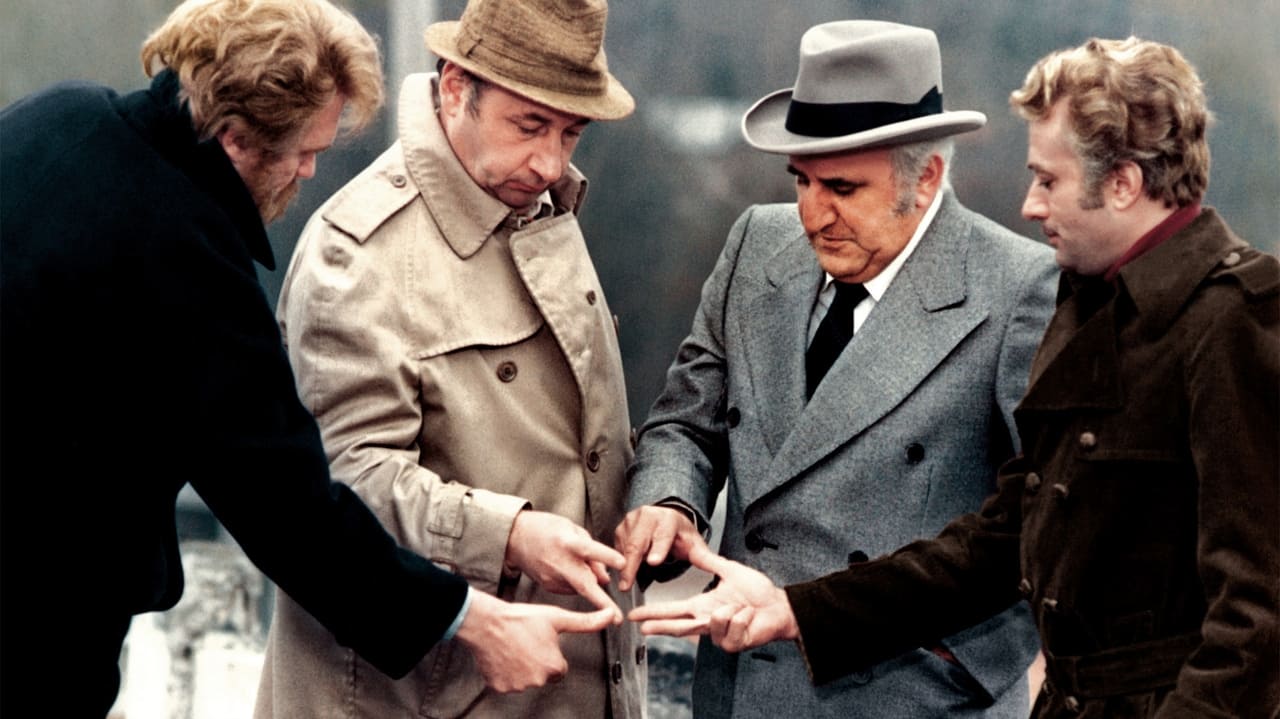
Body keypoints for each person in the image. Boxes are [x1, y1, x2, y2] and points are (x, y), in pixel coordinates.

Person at [631, 35, 1280, 719]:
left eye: (1048, 180)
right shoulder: (1096, 303)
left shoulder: (1228, 316)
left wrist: (954, 669)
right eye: (802, 181)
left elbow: (1256, 619)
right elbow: (1008, 536)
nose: (1030, 205)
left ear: (1122, 183)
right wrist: (795, 608)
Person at [0, 1, 618, 716]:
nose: (311, 169)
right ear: (236, 137)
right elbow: (288, 508)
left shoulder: (55, 116)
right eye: (301, 151)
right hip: (35, 629)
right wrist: (469, 618)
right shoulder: (189, 257)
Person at [614, 19, 1056, 719]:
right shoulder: (755, 244)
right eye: (802, 181)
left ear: (927, 177)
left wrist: (959, 660)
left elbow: (1043, 515)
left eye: (844, 188)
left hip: (910, 696)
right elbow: (686, 420)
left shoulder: (1020, 289)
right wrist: (669, 501)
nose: (814, 214)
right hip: (740, 688)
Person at [252, 0, 645, 717]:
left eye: (571, 132)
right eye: (529, 125)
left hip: (568, 685)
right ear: (457, 88)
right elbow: (336, 489)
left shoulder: (541, 202)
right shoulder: (358, 252)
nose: (550, 161)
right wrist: (511, 534)